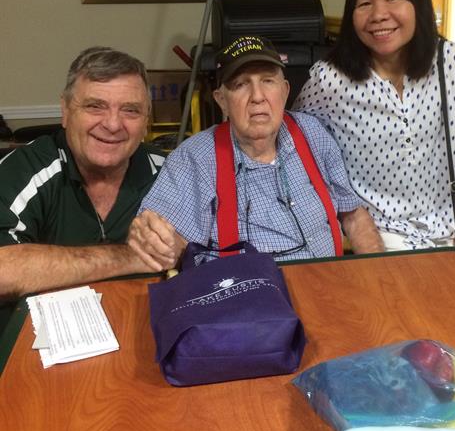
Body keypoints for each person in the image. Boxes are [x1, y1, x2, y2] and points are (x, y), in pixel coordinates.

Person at [128, 35, 383, 269]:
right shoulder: (194, 158)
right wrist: (158, 241)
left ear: (284, 91)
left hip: (327, 288)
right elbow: (169, 244)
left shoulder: (313, 134)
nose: (257, 97)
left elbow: (354, 217)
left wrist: (378, 276)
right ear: (221, 100)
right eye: (241, 84)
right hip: (247, 304)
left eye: (268, 81)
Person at [293, 0, 455, 252]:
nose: (379, 14)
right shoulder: (329, 80)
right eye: (364, 4)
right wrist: (343, 220)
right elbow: (299, 144)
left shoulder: (452, 61)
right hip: (376, 234)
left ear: (417, 4)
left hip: (447, 229)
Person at [0, 46, 168, 302]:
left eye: (131, 110)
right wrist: (131, 257)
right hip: (32, 334)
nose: (113, 124)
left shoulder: (169, 172)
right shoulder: (25, 169)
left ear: (146, 120)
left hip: (139, 323)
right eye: (95, 106)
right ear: (65, 111)